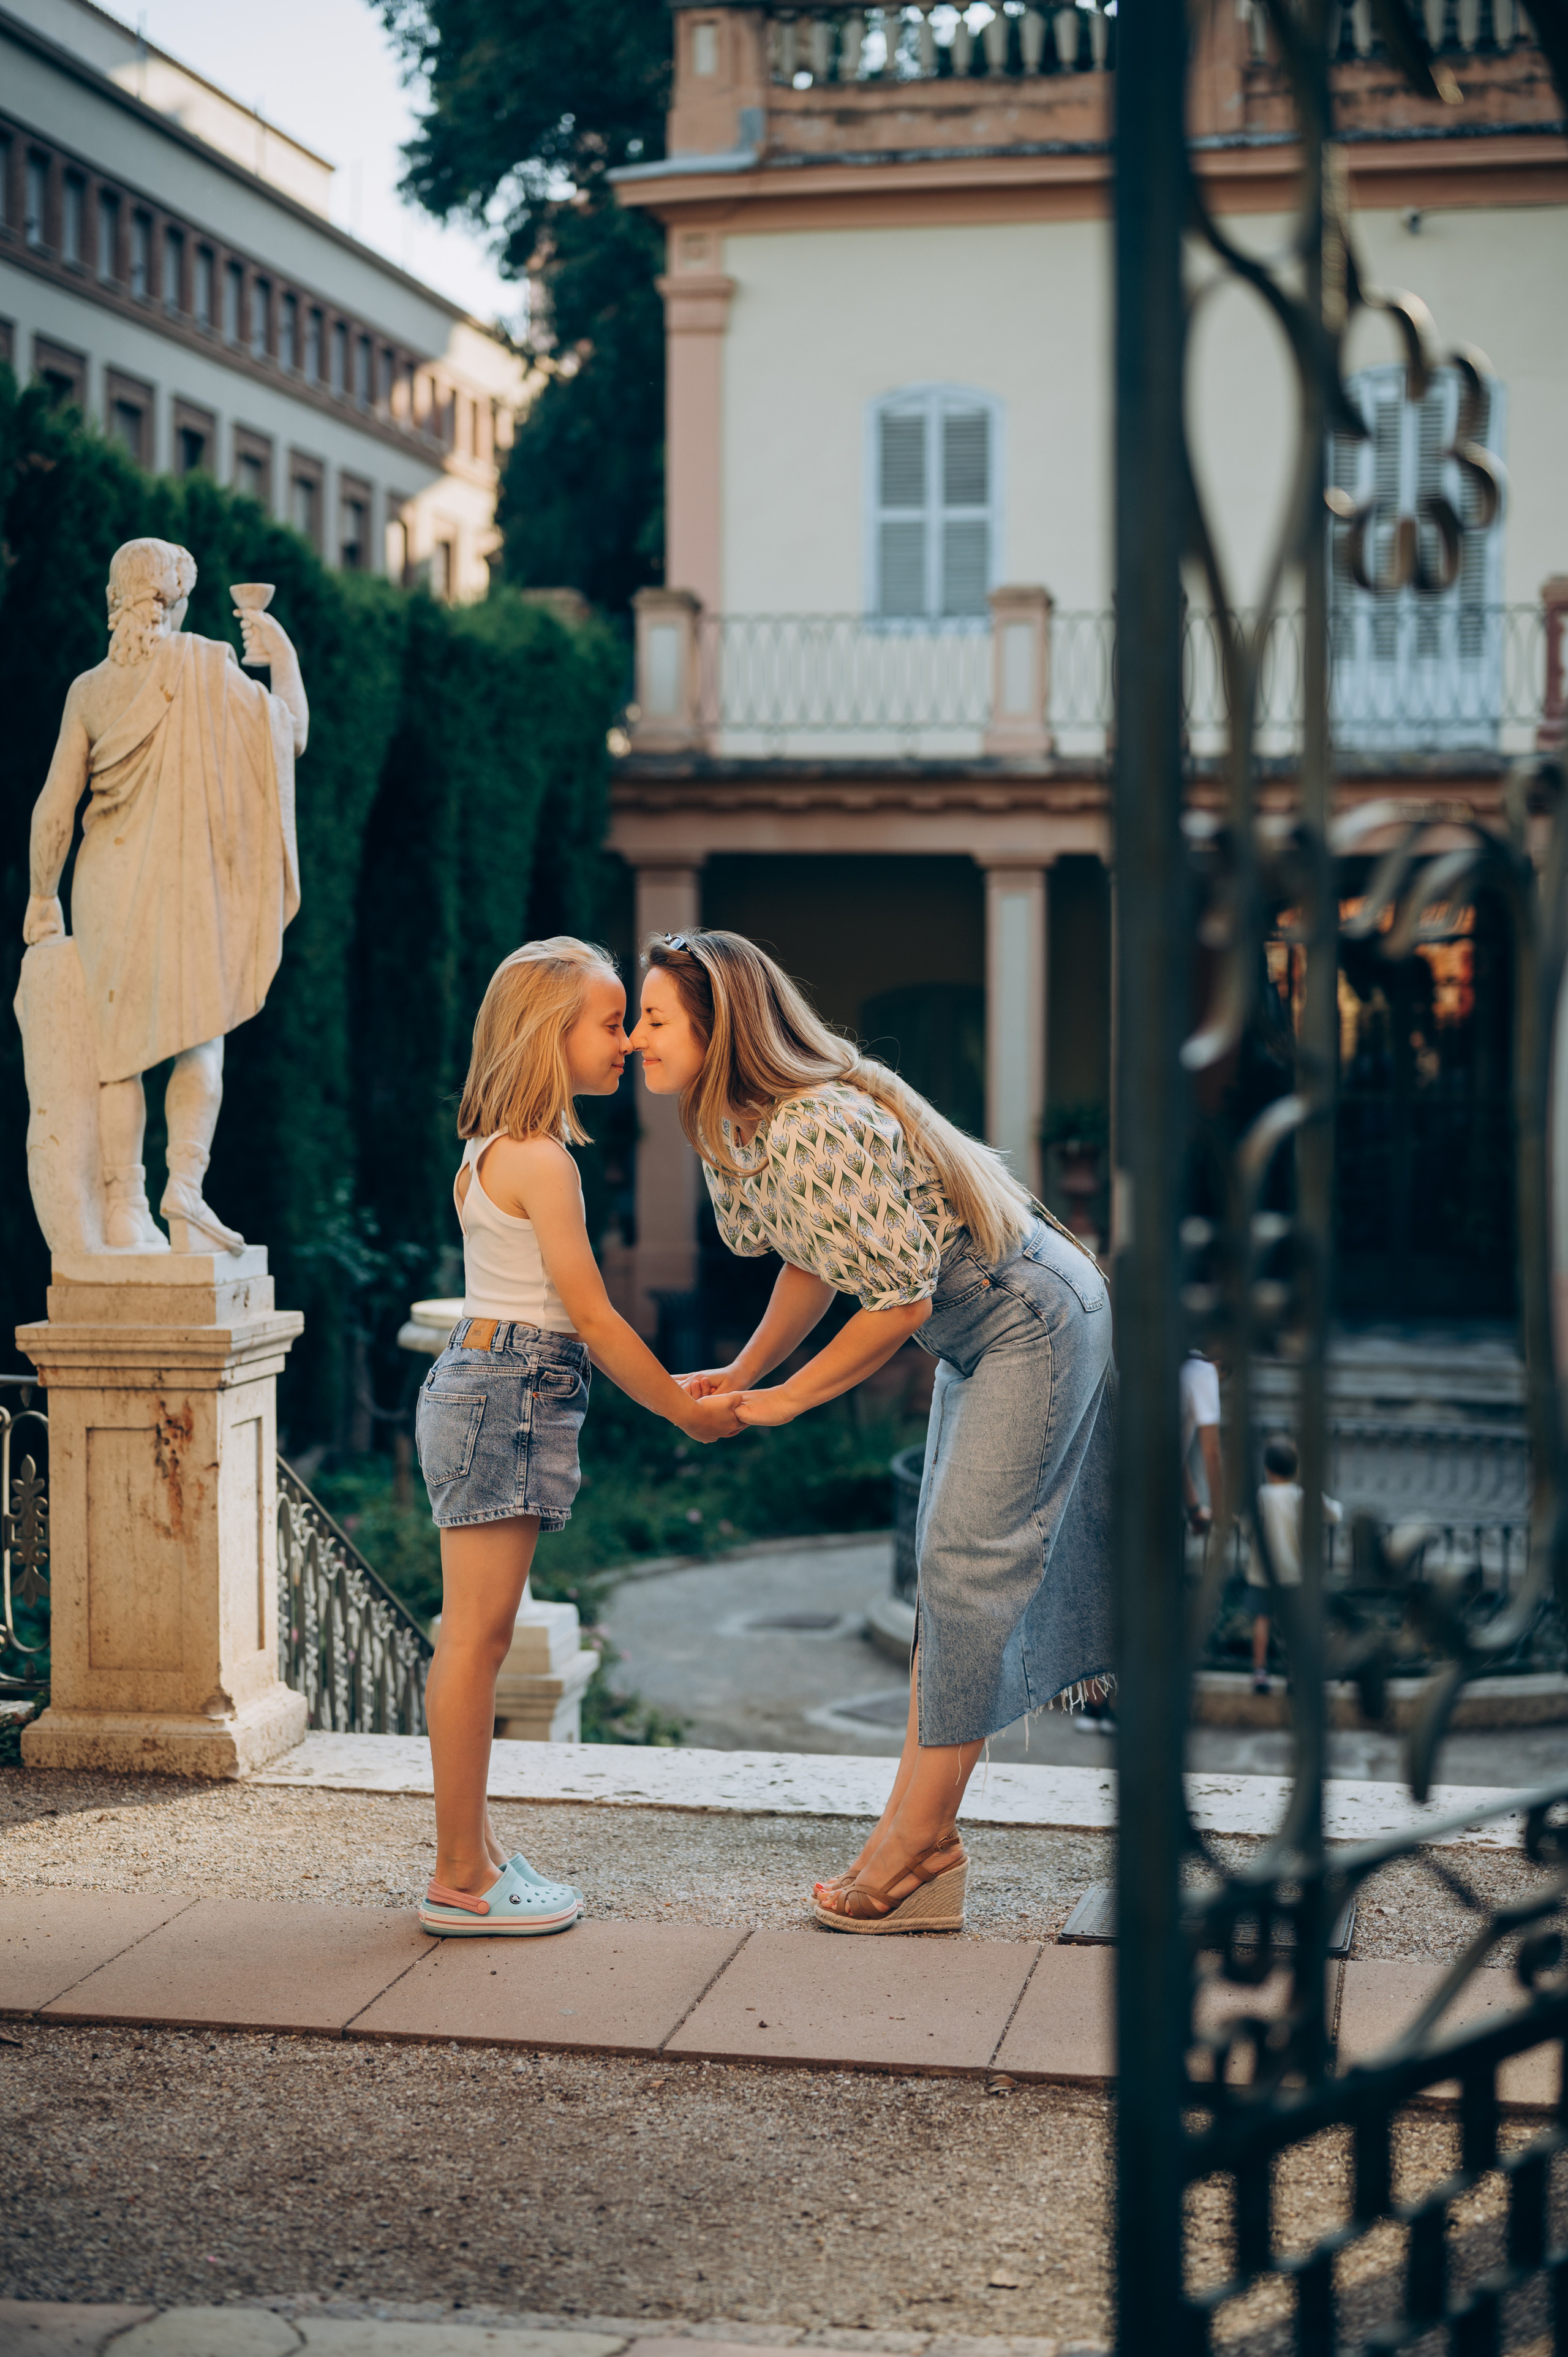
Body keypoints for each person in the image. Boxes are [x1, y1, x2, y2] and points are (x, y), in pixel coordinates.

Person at [627, 929, 1115, 1934]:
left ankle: (921, 1846)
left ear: (720, 1029)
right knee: (950, 1579)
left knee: (964, 1569)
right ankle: (918, 1840)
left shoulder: (818, 1122)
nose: (636, 1038)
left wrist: (789, 1399)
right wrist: (746, 1369)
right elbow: (813, 1257)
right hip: (982, 1327)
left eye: (656, 1019)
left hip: (1028, 1318)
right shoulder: (743, 1129)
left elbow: (893, 1301)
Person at [413, 939, 741, 1937]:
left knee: (481, 1635)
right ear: (547, 1036)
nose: (628, 1042)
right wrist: (683, 1408)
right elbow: (590, 1317)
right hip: (509, 1385)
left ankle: (477, 1852)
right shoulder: (541, 1160)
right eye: (609, 1023)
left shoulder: (490, 1150)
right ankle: (460, 1876)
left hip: (495, 1378)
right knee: (476, 1639)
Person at [24, 538, 308, 1253]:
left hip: (101, 887)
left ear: (115, 602)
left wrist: (41, 897)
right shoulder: (208, 666)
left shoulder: (88, 690)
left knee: (119, 1054)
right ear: (176, 602)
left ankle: (126, 1205)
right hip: (185, 883)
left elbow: (55, 807)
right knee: (199, 1038)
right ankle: (185, 1187)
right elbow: (291, 735)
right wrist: (284, 660)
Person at [1246, 1436, 1342, 1694]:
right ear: (1296, 1469)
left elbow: (1247, 1526)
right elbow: (1334, 1514)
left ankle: (1260, 1673)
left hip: (1263, 1572)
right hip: (1294, 1574)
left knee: (1262, 1621)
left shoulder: (1260, 1496)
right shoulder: (1302, 1496)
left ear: (1267, 1469)